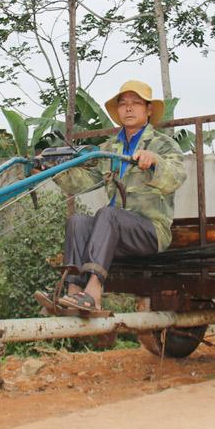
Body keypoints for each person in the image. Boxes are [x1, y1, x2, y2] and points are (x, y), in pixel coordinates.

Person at [41, 80, 187, 316]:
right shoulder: (109, 148)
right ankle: (73, 290)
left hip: (150, 231)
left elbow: (176, 177)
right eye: (123, 104)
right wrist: (54, 170)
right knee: (77, 221)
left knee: (108, 215)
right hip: (112, 232)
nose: (128, 108)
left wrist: (155, 161)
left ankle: (94, 293)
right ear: (118, 110)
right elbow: (83, 181)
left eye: (136, 103)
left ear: (149, 109)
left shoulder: (163, 144)